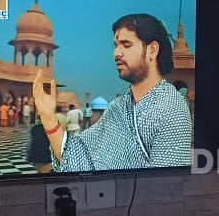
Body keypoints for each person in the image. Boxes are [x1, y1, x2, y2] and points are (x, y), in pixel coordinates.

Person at [32, 13, 192, 172]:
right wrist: (48, 118)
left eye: (126, 45)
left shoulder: (172, 109)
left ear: (152, 50)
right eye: (116, 45)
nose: (116, 53)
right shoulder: (117, 108)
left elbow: (166, 183)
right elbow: (79, 153)